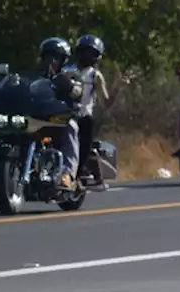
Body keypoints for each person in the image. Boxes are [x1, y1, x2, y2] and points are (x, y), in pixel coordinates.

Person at [67, 34, 133, 188]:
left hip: (83, 116)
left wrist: (118, 86)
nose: (87, 56)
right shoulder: (67, 70)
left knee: (84, 146)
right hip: (64, 114)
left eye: (92, 53)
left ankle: (81, 175)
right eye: (85, 52)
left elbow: (106, 102)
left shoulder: (95, 76)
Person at [38, 36, 81, 190]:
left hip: (60, 117)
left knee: (71, 128)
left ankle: (67, 174)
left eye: (56, 57)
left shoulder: (70, 75)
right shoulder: (35, 76)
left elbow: (78, 91)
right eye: (48, 56)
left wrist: (70, 86)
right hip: (38, 117)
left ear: (63, 60)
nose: (51, 60)